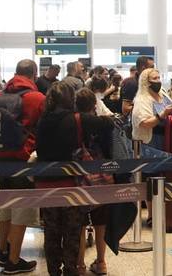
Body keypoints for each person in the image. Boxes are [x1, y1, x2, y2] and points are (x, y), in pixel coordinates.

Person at [35, 83, 114, 276]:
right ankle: (71, 269)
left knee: (51, 232)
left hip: (45, 183)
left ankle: (54, 271)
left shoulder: (42, 120)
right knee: (72, 231)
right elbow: (108, 123)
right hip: (71, 183)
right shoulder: (77, 119)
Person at [0, 59, 45, 274]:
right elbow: (44, 129)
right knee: (22, 209)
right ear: (34, 73)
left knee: (6, 204)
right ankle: (14, 261)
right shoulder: (37, 98)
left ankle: (2, 251)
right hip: (23, 159)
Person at [73, 88, 115, 276]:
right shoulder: (104, 124)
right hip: (103, 175)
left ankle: (80, 265)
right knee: (101, 221)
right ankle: (101, 262)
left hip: (80, 175)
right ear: (94, 105)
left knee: (80, 222)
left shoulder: (73, 122)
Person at [131, 68, 172, 151]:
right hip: (150, 141)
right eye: (154, 78)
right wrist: (163, 114)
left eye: (159, 78)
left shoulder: (163, 93)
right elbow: (145, 123)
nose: (158, 81)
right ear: (146, 82)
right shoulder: (141, 100)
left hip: (167, 136)